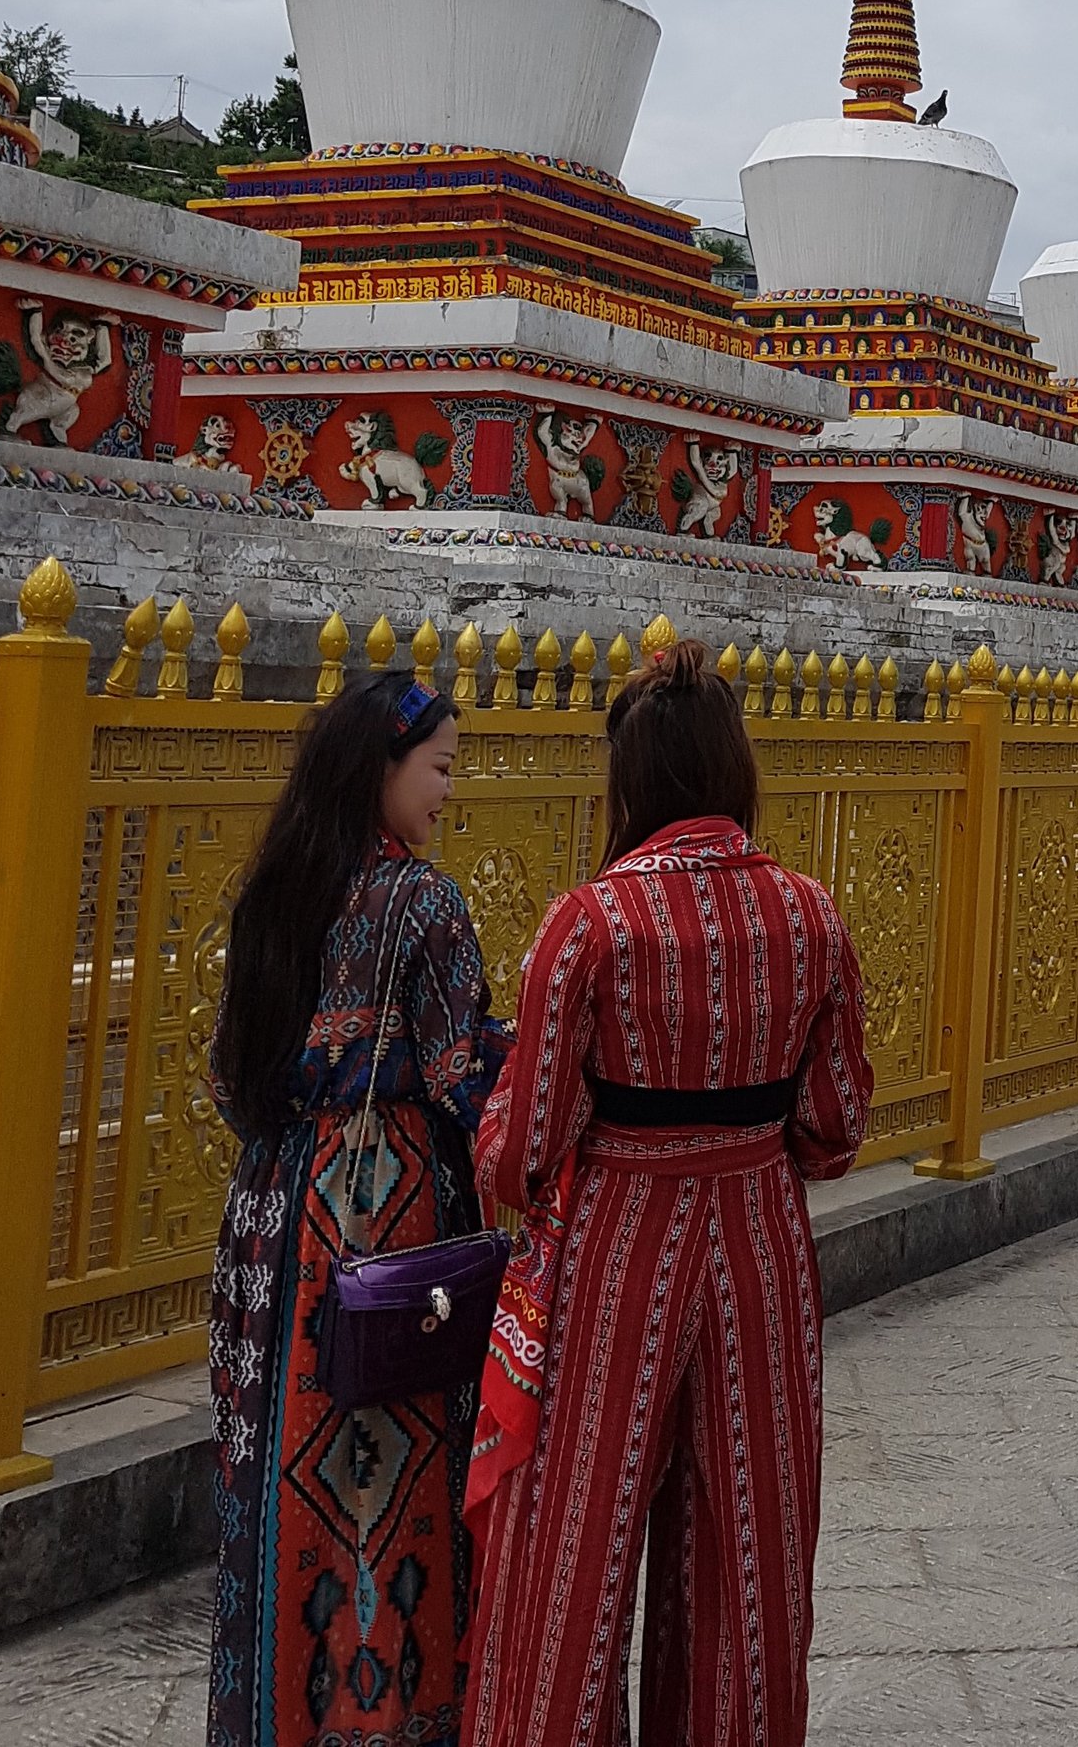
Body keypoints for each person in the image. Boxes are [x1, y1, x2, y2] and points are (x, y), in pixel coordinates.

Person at [463, 641, 873, 1747]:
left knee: (569, 1562)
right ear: (733, 768)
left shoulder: (586, 923)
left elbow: (523, 1149)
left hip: (616, 1248)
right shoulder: (811, 914)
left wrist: (494, 1131)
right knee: (747, 1552)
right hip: (759, 1244)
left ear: (631, 780)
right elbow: (836, 1125)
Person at [207, 673, 508, 1747]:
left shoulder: (277, 888)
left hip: (272, 1218)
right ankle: (391, 1716)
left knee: (288, 1484)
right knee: (391, 1485)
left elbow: (226, 1075)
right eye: (440, 768)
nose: (447, 792)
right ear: (384, 766)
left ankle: (280, 1714)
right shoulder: (422, 902)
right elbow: (463, 1079)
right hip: (383, 1230)